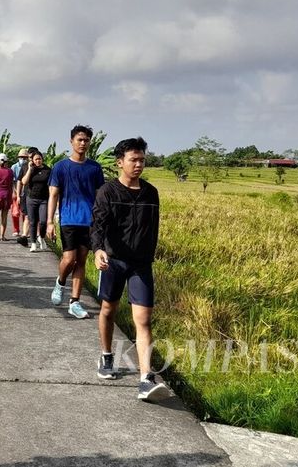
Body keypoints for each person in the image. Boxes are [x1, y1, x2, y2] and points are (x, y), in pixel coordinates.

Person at [91, 137, 167, 402]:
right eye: (133, 160)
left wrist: (148, 255)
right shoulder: (107, 192)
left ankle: (146, 379)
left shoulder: (151, 193)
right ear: (120, 162)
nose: (138, 165)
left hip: (141, 264)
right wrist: (98, 249)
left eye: (142, 160)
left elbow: (153, 229)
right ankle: (106, 355)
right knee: (109, 310)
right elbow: (98, 225)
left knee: (144, 320)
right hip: (113, 261)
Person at [47, 125, 105, 319]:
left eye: (86, 140)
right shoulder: (61, 167)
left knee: (81, 261)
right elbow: (53, 195)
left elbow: (99, 196)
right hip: (69, 219)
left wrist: (101, 220)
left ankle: (75, 302)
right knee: (68, 259)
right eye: (79, 140)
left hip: (89, 221)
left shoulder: (95, 168)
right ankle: (60, 282)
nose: (83, 143)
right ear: (71, 141)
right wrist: (49, 221)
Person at [21, 150, 51, 252]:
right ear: (32, 160)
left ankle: (41, 237)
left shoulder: (48, 170)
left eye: (40, 159)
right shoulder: (30, 169)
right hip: (31, 198)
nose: (38, 161)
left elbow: (51, 185)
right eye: (36, 159)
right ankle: (33, 243)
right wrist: (30, 169)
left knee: (43, 221)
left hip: (44, 199)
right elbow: (24, 182)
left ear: (42, 159)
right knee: (33, 222)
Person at [10, 149, 29, 237]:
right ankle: (16, 229)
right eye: (21, 157)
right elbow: (12, 181)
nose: (23, 159)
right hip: (16, 191)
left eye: (25, 157)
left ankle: (25, 231)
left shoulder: (29, 166)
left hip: (26, 192)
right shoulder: (14, 167)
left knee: (25, 213)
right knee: (15, 212)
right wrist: (15, 192)